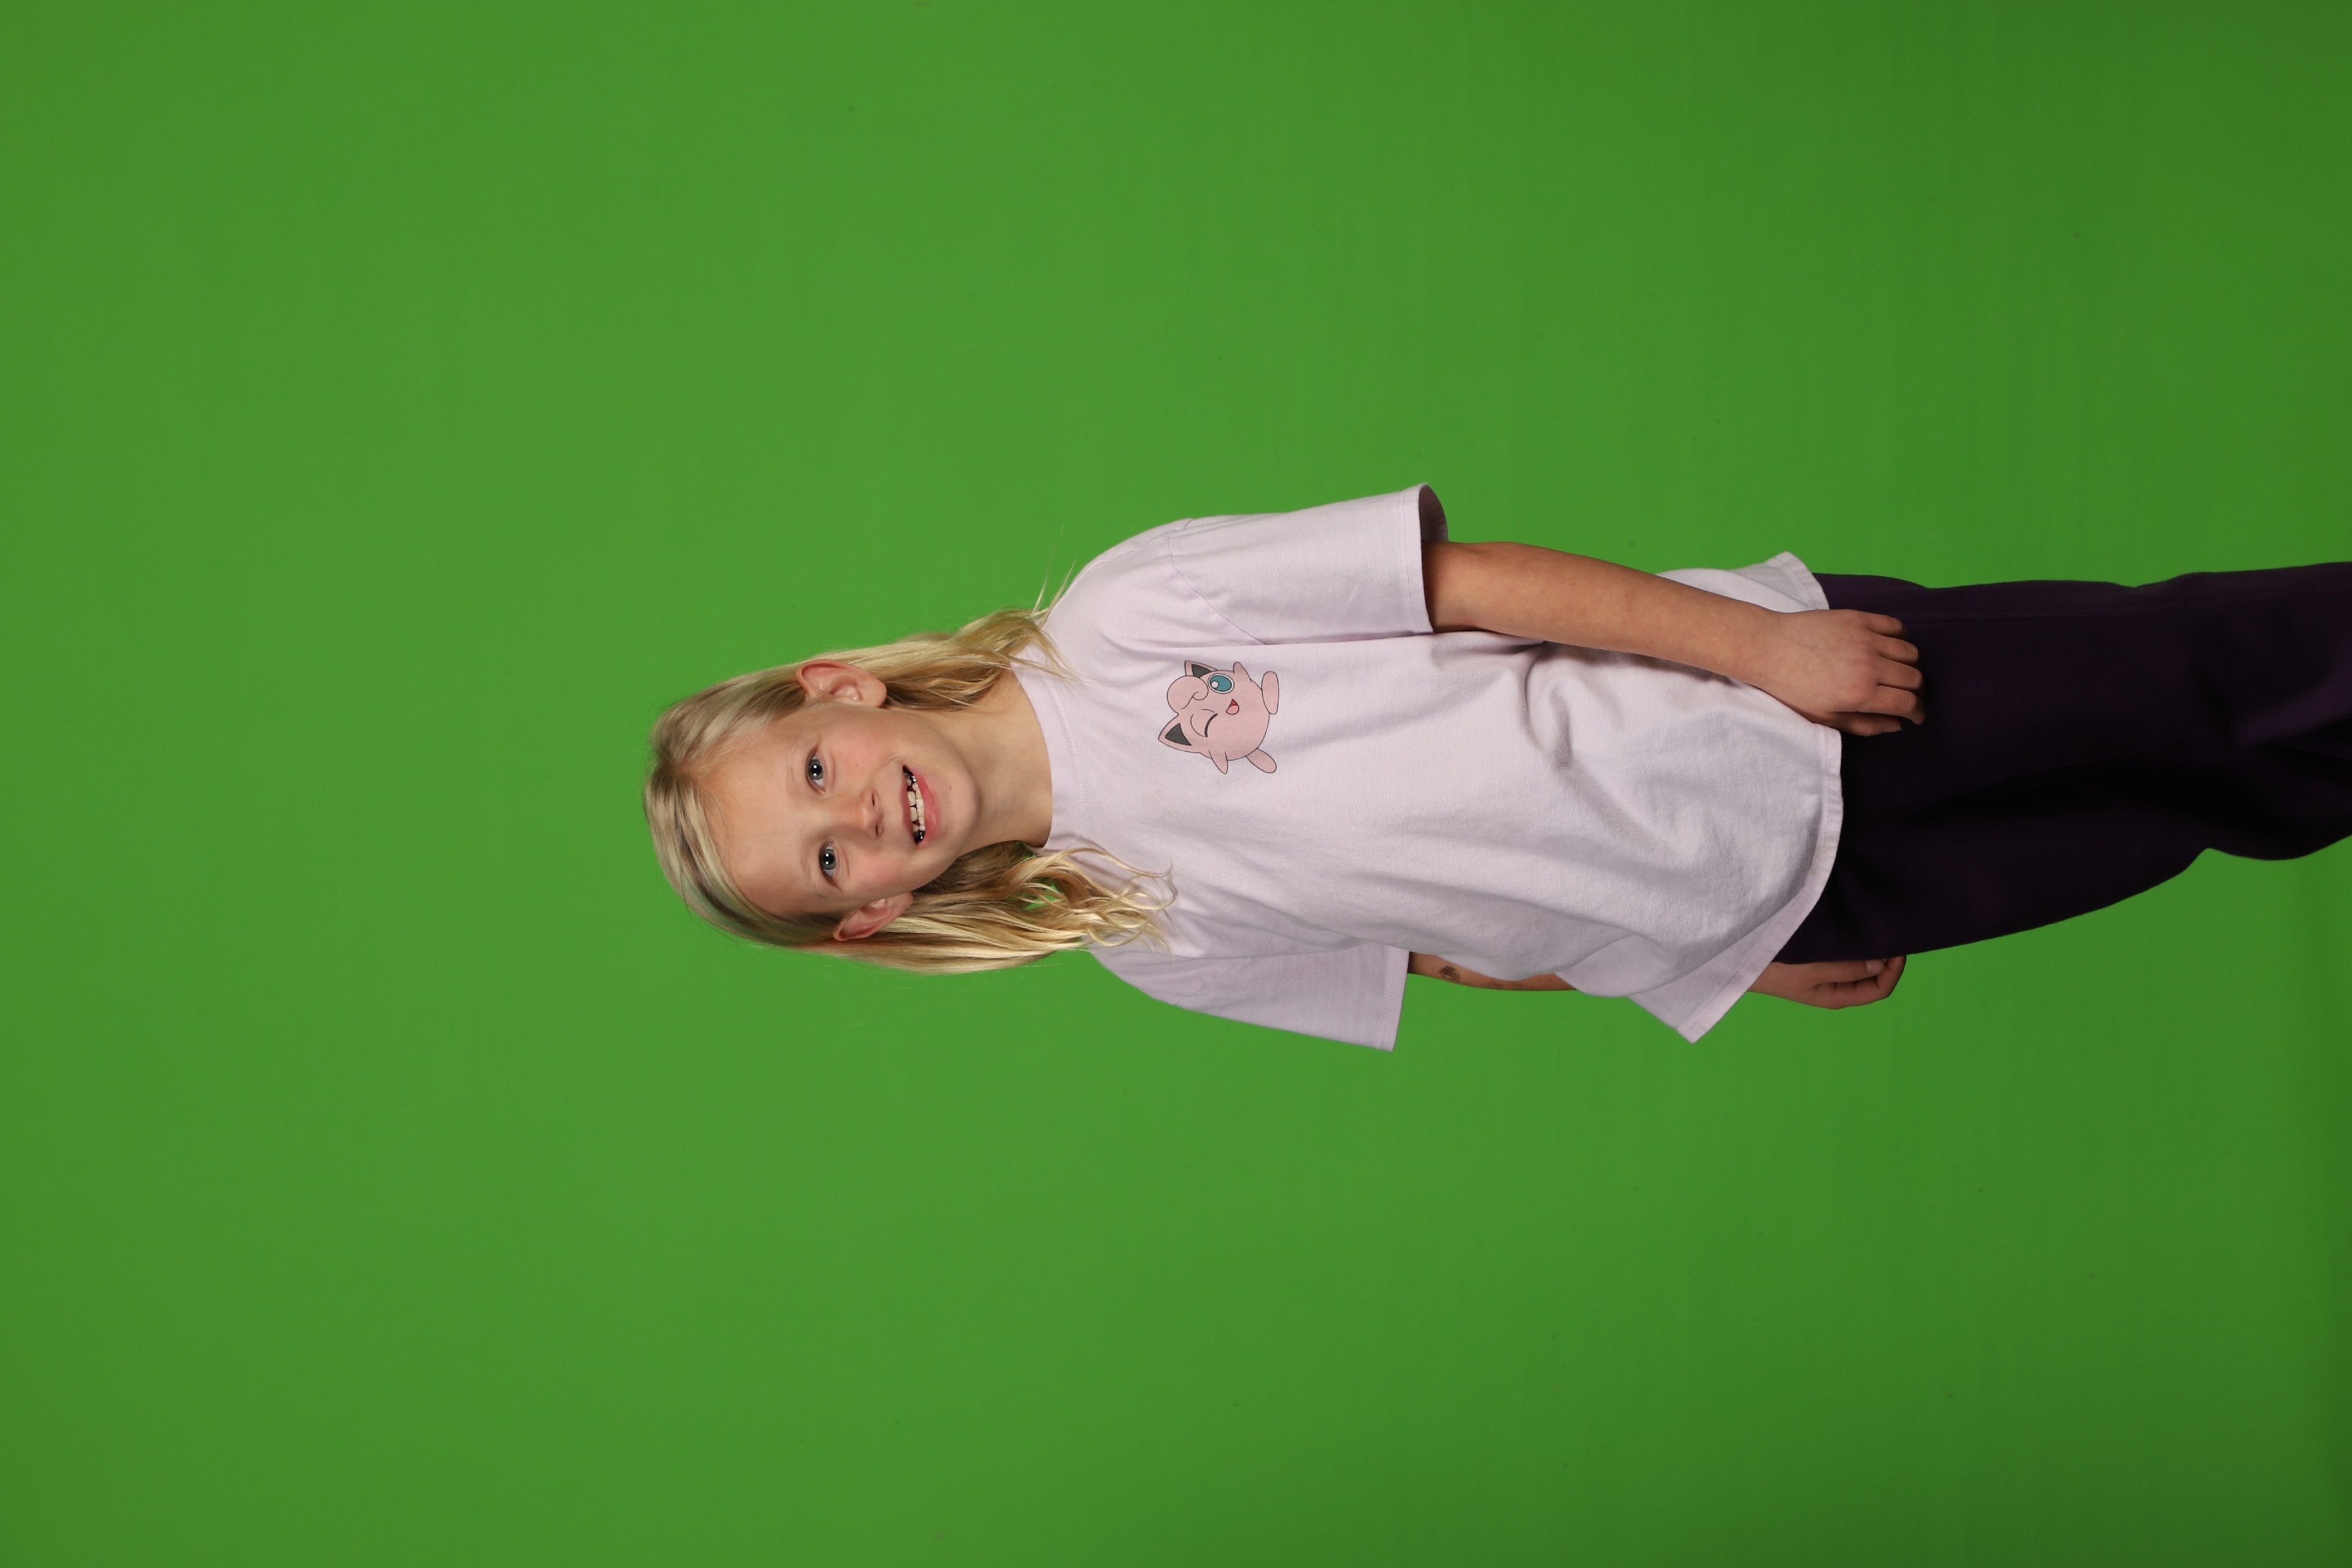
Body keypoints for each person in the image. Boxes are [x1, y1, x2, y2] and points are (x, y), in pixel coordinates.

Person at [644, 487, 2352, 1048]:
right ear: (870, 918)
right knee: (2189, 810)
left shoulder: (1128, 613)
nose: (856, 816)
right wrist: (1713, 965)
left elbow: (1460, 585)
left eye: (816, 773)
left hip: (1765, 710)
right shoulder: (1151, 942)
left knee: (2203, 674)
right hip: (1774, 897)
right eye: (826, 860)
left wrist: (1761, 649)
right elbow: (1448, 950)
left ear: (838, 689)